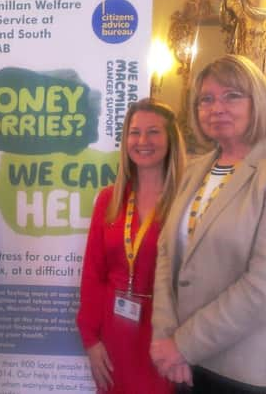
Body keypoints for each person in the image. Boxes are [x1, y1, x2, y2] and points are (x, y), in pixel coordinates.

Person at [151, 54, 266, 393]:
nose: (217, 107)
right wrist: (164, 337)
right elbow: (167, 254)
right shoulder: (194, 169)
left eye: (232, 95)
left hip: (246, 371)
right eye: (206, 99)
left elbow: (265, 286)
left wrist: (183, 345)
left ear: (256, 101)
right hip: (186, 366)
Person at [77, 98, 185, 394]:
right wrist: (91, 339)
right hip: (113, 335)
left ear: (171, 139)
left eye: (154, 132)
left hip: (165, 335)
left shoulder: (186, 201)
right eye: (135, 132)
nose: (143, 141)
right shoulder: (109, 200)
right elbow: (93, 274)